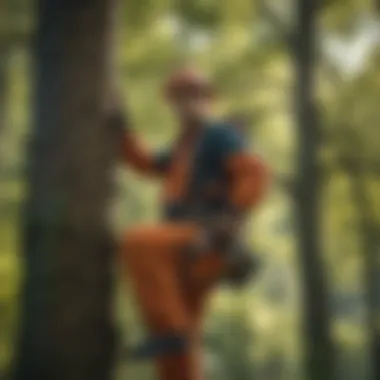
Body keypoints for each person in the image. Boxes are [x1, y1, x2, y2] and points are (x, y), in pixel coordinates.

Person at [110, 68, 270, 380]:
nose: (188, 103)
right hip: (186, 254)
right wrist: (122, 132)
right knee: (183, 345)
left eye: (195, 96)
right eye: (180, 98)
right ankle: (175, 341)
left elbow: (254, 173)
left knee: (137, 242)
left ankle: (170, 331)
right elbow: (147, 163)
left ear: (208, 101)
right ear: (172, 105)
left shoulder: (218, 135)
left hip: (204, 241)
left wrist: (226, 223)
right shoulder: (184, 146)